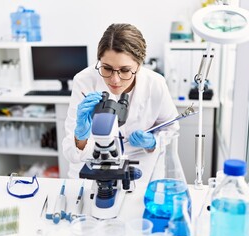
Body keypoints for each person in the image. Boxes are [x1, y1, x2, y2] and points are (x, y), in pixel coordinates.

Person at [62, 23, 179, 179]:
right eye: (107, 68)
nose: (115, 79)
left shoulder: (155, 83)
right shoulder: (84, 81)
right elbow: (71, 152)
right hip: (92, 164)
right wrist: (80, 137)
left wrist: (154, 142)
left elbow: (171, 129)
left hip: (140, 166)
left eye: (124, 70)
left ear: (139, 66)